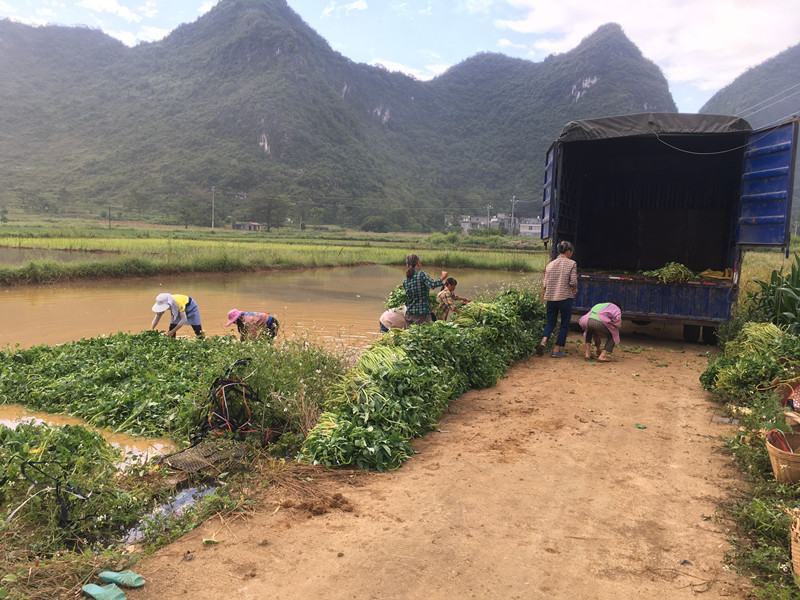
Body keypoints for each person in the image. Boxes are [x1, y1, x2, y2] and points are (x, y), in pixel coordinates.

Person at [537, 240, 577, 358]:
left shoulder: (550, 264)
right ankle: (556, 350)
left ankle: (543, 341)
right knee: (564, 324)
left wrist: (543, 297)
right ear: (568, 251)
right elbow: (573, 281)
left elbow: (545, 284)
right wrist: (574, 289)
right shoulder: (572, 263)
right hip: (565, 298)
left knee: (550, 322)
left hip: (551, 298)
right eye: (571, 252)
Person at [402, 254, 447, 326]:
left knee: (411, 335)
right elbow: (432, 285)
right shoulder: (421, 274)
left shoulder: (405, 281)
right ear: (418, 263)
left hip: (409, 314)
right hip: (422, 315)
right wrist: (442, 277)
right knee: (424, 335)